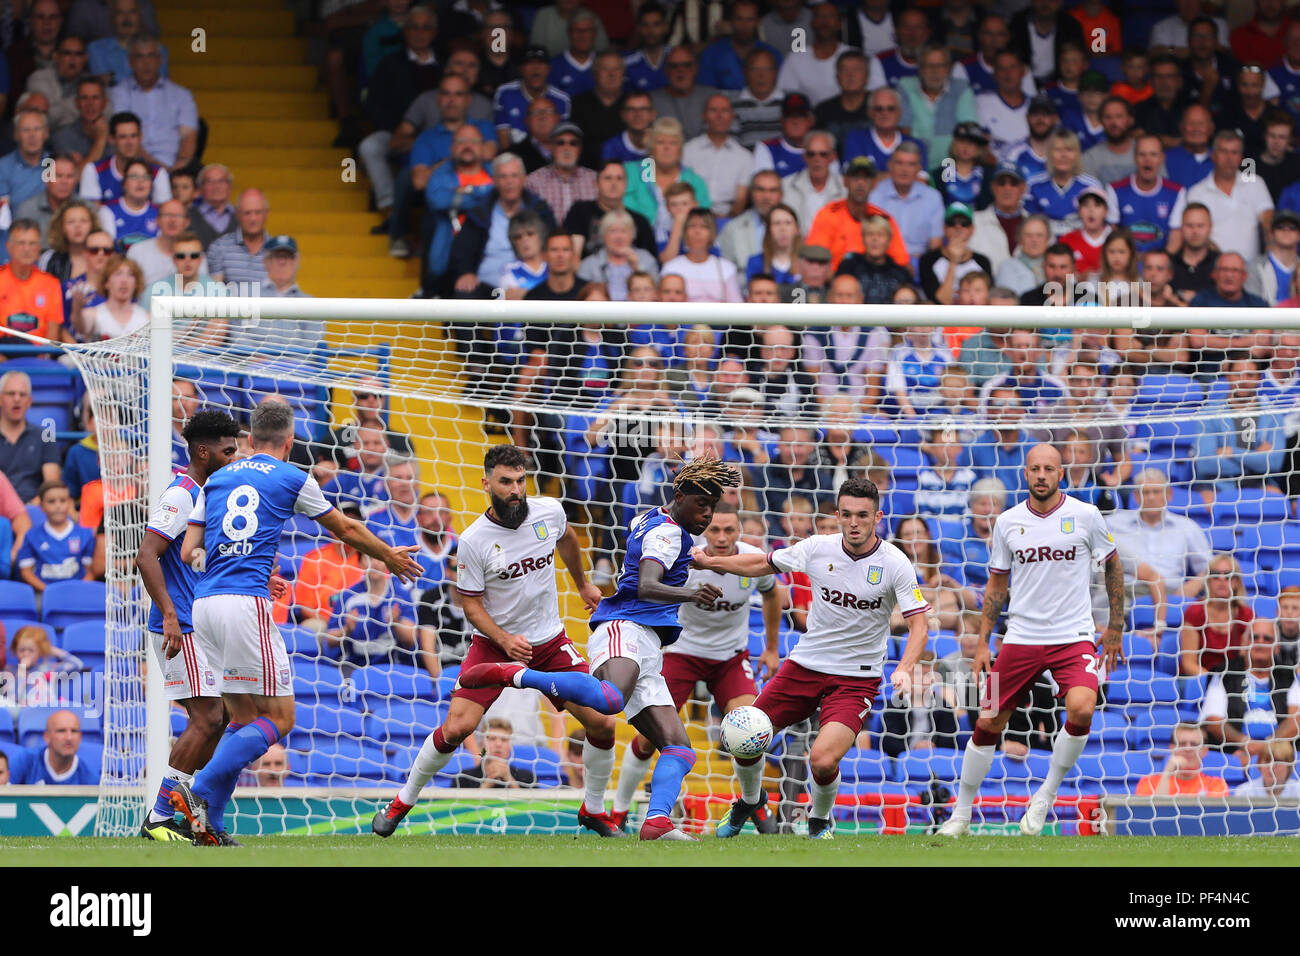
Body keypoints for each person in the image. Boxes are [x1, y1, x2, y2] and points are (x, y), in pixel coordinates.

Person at [169, 401, 423, 846]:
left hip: (204, 603)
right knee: (282, 719)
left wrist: (222, 561)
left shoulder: (216, 479)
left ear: (248, 441)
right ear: (288, 443)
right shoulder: (292, 476)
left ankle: (211, 823)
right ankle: (199, 790)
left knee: (242, 717)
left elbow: (192, 547)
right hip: (245, 605)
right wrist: (389, 555)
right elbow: (343, 528)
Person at [457, 457, 740, 841]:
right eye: (701, 504)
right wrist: (692, 592)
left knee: (680, 747)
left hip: (649, 644)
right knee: (608, 701)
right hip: (626, 627)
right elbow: (646, 584)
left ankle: (657, 822)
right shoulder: (667, 534)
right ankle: (516, 675)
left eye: (714, 506)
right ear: (679, 496)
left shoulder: (657, 520)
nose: (707, 514)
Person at [373, 445, 620, 833]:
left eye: (521, 481)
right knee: (456, 728)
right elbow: (471, 607)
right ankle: (401, 802)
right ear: (487, 483)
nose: (516, 490)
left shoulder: (548, 512)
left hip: (550, 642)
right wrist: (504, 640)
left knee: (603, 723)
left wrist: (583, 583)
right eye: (506, 482)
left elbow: (568, 538)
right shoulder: (473, 540)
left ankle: (593, 809)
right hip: (493, 645)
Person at [696, 477, 930, 839]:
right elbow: (762, 563)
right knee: (745, 735)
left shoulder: (895, 562)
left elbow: (919, 626)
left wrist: (904, 667)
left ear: (878, 517)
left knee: (822, 759)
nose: (854, 523)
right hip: (805, 665)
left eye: (863, 516)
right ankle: (750, 801)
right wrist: (714, 563)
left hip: (856, 678)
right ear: (838, 515)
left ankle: (819, 821)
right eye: (847, 515)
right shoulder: (818, 547)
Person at [939, 444, 1123, 837]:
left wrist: (1116, 625)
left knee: (1083, 707)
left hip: (1072, 636)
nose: (1041, 475)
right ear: (1025, 474)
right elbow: (996, 585)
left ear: (1061, 474)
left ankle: (1045, 797)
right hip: (1018, 638)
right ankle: (961, 813)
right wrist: (985, 642)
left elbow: (1113, 564)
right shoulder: (1007, 522)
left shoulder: (1086, 516)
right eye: (1035, 469)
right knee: (987, 718)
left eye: (1049, 469)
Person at [610, 501, 783, 831]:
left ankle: (752, 802)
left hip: (730, 658)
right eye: (714, 529)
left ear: (739, 531)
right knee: (648, 738)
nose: (721, 536)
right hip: (682, 654)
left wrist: (772, 648)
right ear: (705, 530)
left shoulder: (750, 559)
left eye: (729, 529)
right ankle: (617, 812)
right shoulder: (685, 558)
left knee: (750, 729)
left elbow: (774, 594)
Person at [132, 409, 242, 839]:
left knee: (225, 714)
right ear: (203, 450)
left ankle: (189, 810)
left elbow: (193, 557)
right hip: (179, 626)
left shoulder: (210, 493)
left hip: (201, 623)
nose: (234, 458)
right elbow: (146, 554)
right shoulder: (181, 494)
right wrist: (173, 617)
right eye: (227, 450)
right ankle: (161, 815)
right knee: (209, 715)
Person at [1202, 618, 1299, 764]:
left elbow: (1296, 720)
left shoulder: (1289, 675)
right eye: (1254, 637)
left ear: (1277, 647)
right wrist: (1244, 743)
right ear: (1244, 642)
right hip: (1235, 753)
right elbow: (1213, 721)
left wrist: (1267, 746)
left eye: (1267, 639)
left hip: (1281, 755)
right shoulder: (1224, 673)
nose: (1260, 642)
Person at [1186, 129, 1275, 264]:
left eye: (1234, 152)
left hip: (1252, 269)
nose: (1229, 158)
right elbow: (1195, 234)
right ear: (1213, 155)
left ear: (1241, 158)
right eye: (1223, 151)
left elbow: (1268, 220)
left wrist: (1270, 258)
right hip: (1213, 268)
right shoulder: (1197, 192)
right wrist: (1226, 264)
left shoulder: (1255, 183)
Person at [1179, 553, 1254, 678]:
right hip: (1199, 680)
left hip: (1233, 681)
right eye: (1216, 575)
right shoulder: (1195, 612)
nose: (1222, 580)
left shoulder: (1247, 616)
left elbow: (1247, 661)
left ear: (1236, 582)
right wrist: (1214, 682)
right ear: (1208, 580)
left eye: (1228, 575)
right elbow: (1188, 664)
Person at [17, 480, 94, 591]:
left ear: (70, 503)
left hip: (78, 593)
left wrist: (79, 590)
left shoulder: (85, 534)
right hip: (44, 594)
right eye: (51, 501)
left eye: (62, 501)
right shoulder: (32, 536)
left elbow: (91, 571)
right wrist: (50, 592)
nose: (58, 506)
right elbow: (26, 572)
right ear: (41, 506)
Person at [683, 94, 750, 218]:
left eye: (724, 111)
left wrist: (725, 221)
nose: (719, 116)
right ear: (704, 116)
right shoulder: (687, 151)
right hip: (692, 216)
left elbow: (740, 200)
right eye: (713, 110)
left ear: (732, 116)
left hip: (729, 218)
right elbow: (683, 189)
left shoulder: (744, 156)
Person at [0, 371, 62, 503]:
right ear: (0, 399)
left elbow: (51, 485)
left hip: (34, 508)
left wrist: (32, 508)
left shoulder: (46, 436)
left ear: (29, 401)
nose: (17, 399)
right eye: (11, 393)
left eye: (22, 394)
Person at [661, 208, 741, 303]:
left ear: (712, 232)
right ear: (685, 231)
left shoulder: (726, 268)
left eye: (704, 226)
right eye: (692, 226)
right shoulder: (671, 268)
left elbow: (736, 306)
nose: (697, 231)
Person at [918, 202, 992, 304]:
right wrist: (953, 261)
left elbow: (986, 301)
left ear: (972, 229)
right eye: (952, 222)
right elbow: (941, 301)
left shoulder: (982, 261)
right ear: (944, 228)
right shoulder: (928, 260)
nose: (958, 227)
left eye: (964, 223)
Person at [1134, 723, 1229, 797]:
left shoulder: (1217, 786)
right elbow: (1154, 815)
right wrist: (1167, 773)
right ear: (1171, 748)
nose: (1188, 749)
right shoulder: (1148, 783)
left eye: (1194, 744)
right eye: (1182, 744)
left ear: (1205, 750)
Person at [13, 709, 100, 785]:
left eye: (74, 731)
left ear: (80, 737)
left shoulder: (90, 778)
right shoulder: (25, 761)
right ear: (47, 737)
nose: (69, 737)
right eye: (61, 731)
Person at [77, 253, 147, 340]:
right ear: (106, 282)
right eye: (118, 274)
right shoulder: (92, 314)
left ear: (136, 283)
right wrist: (76, 308)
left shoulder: (148, 319)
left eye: (130, 274)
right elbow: (81, 327)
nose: (124, 280)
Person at [453, 717, 536, 788]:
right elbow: (459, 806)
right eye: (492, 739)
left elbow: (534, 806)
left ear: (510, 745)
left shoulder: (527, 777)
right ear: (482, 743)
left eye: (504, 740)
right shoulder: (464, 777)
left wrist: (509, 780)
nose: (498, 744)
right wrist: (488, 782)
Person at [1247, 210, 1300, 306]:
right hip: (1264, 320)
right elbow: (1252, 305)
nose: (1286, 230)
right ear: (1271, 233)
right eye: (1280, 227)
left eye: (1293, 227)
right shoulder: (1254, 267)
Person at [1233, 739, 1300, 799]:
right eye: (1267, 761)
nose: (1271, 766)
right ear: (1259, 764)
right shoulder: (1244, 792)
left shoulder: (1298, 791)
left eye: (1277, 761)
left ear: (1289, 766)